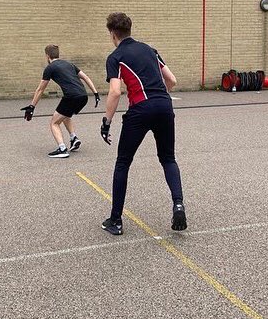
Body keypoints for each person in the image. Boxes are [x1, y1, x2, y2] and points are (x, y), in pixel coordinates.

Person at [99, 12, 186, 235]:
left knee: (123, 163)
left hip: (140, 109)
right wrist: (159, 99)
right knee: (168, 158)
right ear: (129, 30)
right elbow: (172, 80)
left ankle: (116, 220)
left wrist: (106, 122)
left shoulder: (116, 56)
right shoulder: (150, 50)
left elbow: (115, 91)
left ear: (112, 34)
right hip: (165, 106)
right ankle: (178, 204)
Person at [21, 45, 100, 158]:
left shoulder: (50, 68)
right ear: (58, 54)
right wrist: (96, 93)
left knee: (54, 122)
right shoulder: (69, 64)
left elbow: (40, 89)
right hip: (83, 96)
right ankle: (74, 138)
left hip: (71, 97)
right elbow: (85, 77)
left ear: (47, 56)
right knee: (64, 115)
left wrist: (32, 106)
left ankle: (62, 149)